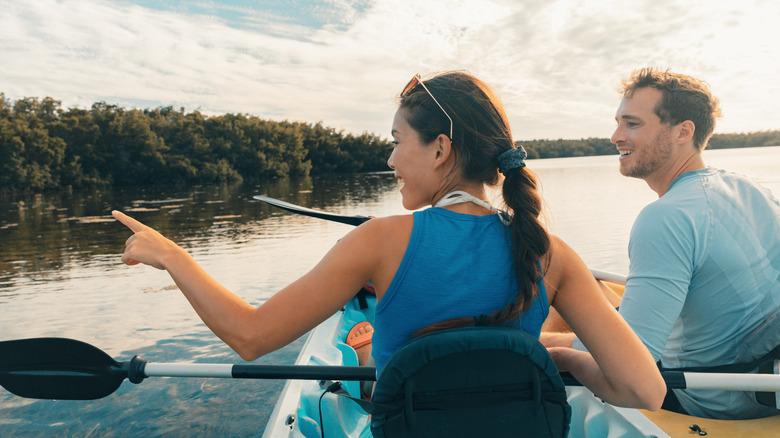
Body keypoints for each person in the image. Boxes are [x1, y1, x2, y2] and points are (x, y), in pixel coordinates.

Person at [113, 71, 665, 410]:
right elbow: (645, 392)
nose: (391, 159)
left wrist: (172, 256)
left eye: (398, 141)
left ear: (441, 149)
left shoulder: (378, 243)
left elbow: (250, 337)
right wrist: (567, 360)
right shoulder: (550, 252)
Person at [542, 67, 780, 420]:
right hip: (761, 376)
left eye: (632, 124)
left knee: (534, 339)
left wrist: (556, 354)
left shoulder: (667, 216)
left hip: (709, 397)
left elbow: (631, 368)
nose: (615, 135)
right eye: (618, 122)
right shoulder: (753, 189)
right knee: (583, 286)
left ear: (683, 131)